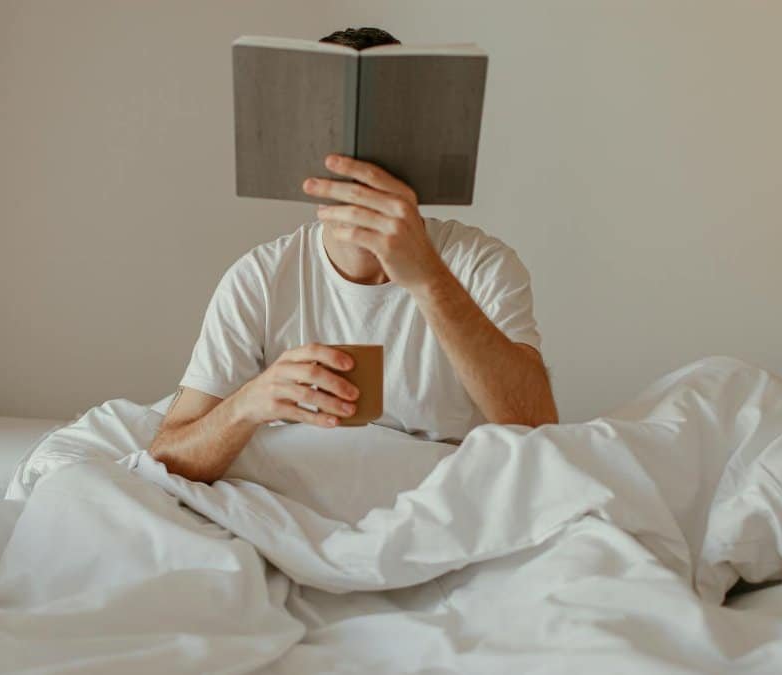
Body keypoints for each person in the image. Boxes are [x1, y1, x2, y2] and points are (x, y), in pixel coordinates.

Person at [149, 28, 558, 482]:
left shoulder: (482, 265)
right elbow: (167, 455)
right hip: (304, 505)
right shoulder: (258, 279)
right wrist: (248, 404)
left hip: (443, 505)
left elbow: (541, 431)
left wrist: (428, 279)